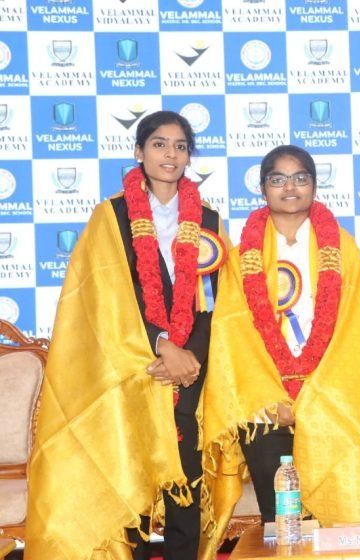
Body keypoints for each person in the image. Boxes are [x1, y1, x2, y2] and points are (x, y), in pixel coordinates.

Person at [25, 111, 226, 559]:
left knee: (186, 482)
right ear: (139, 152)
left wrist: (189, 357)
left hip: (190, 372)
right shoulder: (111, 216)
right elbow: (105, 297)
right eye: (159, 144)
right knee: (130, 478)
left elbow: (214, 301)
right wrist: (162, 346)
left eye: (180, 146)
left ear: (189, 156)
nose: (170, 154)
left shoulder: (208, 220)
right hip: (131, 367)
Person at [199, 145, 360, 553]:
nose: (290, 187)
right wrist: (274, 398)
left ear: (315, 186)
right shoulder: (241, 257)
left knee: (338, 520)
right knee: (282, 520)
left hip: (331, 400)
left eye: (300, 177)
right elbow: (234, 335)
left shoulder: (343, 249)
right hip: (265, 406)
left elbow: (355, 329)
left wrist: (313, 396)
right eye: (278, 179)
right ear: (263, 188)